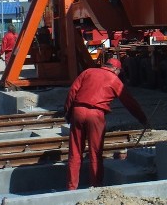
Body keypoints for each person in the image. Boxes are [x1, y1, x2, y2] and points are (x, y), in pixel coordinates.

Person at [63, 58, 149, 190]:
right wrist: (142, 119)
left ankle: (71, 188)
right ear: (116, 69)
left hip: (78, 111)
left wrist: (68, 114)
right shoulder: (114, 80)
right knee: (95, 153)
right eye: (119, 72)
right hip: (96, 115)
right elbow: (129, 102)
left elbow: (72, 92)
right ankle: (96, 186)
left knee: (75, 152)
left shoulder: (88, 72)